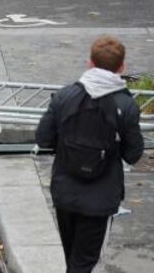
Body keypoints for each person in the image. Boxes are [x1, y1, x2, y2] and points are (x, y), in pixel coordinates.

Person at [36, 36, 144, 273]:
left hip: (65, 190)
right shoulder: (126, 105)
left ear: (90, 63)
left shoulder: (65, 96)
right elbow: (133, 154)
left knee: (73, 259)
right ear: (122, 67)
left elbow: (43, 139)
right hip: (101, 197)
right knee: (85, 263)